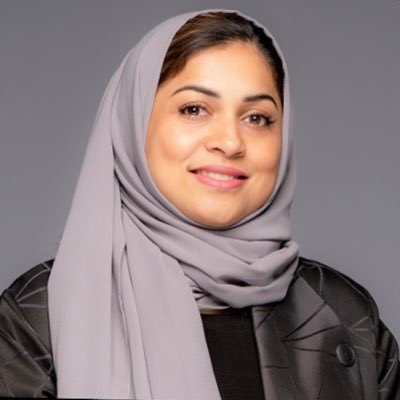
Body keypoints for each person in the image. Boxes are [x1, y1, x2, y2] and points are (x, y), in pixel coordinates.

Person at [0, 8, 398, 399]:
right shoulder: (36, 317)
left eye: (257, 117)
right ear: (132, 124)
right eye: (194, 109)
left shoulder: (343, 312)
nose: (230, 141)